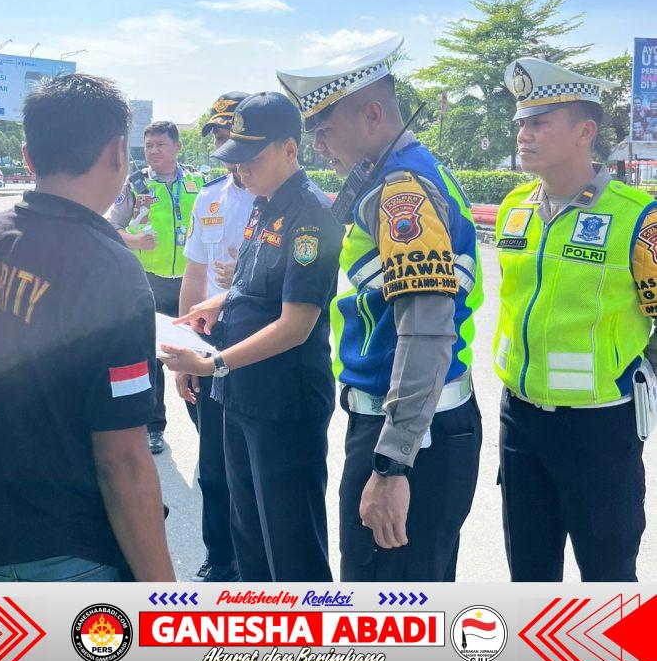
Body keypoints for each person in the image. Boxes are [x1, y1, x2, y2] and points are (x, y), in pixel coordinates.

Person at [0, 74, 174, 583]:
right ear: (117, 151)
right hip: (79, 555)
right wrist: (162, 597)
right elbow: (124, 461)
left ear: (28, 155)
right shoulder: (108, 268)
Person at [277, 36, 483, 581]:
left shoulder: (401, 191)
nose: (318, 145)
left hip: (410, 433)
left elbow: (426, 331)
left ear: (372, 114)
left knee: (383, 609)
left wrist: (392, 463)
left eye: (324, 128)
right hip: (422, 423)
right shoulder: (408, 170)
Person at [163, 92, 342, 582]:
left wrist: (213, 364)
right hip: (242, 396)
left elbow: (296, 323)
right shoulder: (264, 206)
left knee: (292, 547)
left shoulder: (312, 215)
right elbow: (256, 285)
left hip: (284, 404)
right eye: (236, 160)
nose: (241, 170)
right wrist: (217, 303)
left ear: (290, 150)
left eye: (253, 159)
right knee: (249, 541)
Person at [494, 56, 657, 581]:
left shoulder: (638, 217)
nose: (524, 134)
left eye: (539, 122)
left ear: (585, 131)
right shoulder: (514, 207)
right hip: (519, 421)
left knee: (609, 584)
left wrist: (641, 378)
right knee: (528, 579)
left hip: (599, 429)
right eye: (521, 122)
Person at [177, 91, 252, 583]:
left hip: (260, 337)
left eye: (231, 134)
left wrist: (246, 275)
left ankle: (255, 561)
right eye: (218, 136)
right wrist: (186, 349)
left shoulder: (281, 198)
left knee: (252, 463)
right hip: (210, 335)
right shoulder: (210, 197)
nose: (224, 147)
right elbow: (194, 275)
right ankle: (220, 556)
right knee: (213, 464)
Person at [109, 121, 203, 454]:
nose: (153, 151)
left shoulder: (197, 182)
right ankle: (154, 426)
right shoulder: (135, 184)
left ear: (177, 146)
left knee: (197, 353)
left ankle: (205, 424)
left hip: (192, 283)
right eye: (149, 145)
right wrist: (136, 241)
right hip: (150, 283)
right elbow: (111, 227)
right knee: (153, 358)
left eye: (160, 144)